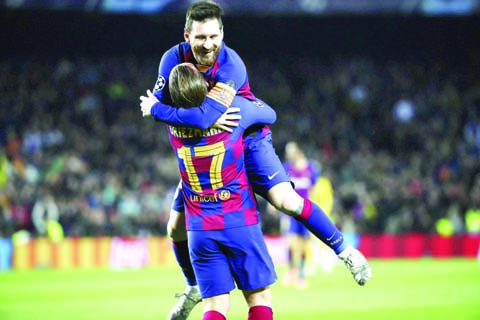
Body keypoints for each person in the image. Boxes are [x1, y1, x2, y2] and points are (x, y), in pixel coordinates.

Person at [140, 1, 372, 318]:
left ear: (222, 34)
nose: (207, 45)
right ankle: (194, 286)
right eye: (200, 38)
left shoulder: (231, 65)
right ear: (186, 35)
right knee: (174, 227)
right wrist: (193, 119)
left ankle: (345, 251)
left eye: (213, 36)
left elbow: (193, 113)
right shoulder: (172, 61)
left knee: (284, 199)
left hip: (246, 136)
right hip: (206, 148)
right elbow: (196, 116)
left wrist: (157, 110)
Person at [164, 62, 277, 320]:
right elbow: (269, 115)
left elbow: (176, 113)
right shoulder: (233, 113)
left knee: (214, 306)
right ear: (205, 86)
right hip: (238, 219)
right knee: (258, 298)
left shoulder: (172, 125)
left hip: (200, 229)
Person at [278, 141, 319, 289]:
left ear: (298, 151)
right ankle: (292, 270)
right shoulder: (286, 168)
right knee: (291, 241)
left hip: (305, 210)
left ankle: (301, 275)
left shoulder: (310, 168)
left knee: (302, 243)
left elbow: (313, 189)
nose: (289, 154)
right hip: (289, 211)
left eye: (291, 151)